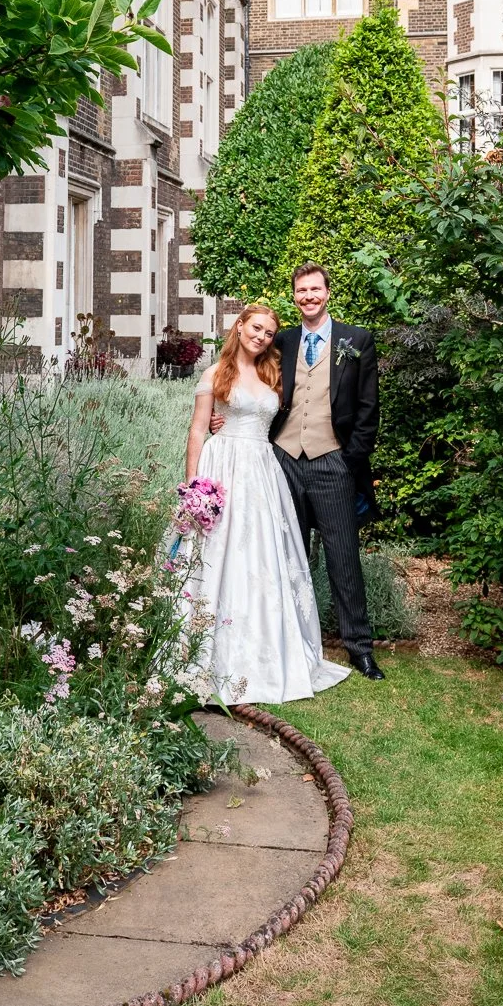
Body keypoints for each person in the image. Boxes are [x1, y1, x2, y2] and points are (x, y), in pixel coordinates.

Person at [178, 302, 350, 705]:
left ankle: (266, 651)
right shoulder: (214, 374)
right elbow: (198, 430)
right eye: (256, 328)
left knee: (261, 557)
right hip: (222, 468)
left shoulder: (274, 375)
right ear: (239, 327)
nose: (262, 336)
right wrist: (194, 488)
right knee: (219, 554)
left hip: (262, 472)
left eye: (269, 333)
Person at [268, 263, 384, 680]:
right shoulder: (282, 340)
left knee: (343, 557)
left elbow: (369, 409)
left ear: (328, 293)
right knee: (287, 556)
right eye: (301, 290)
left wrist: (349, 460)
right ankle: (292, 643)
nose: (308, 296)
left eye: (315, 289)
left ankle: (359, 648)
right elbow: (250, 379)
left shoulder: (356, 340)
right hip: (283, 460)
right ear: (295, 295)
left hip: (333, 461)